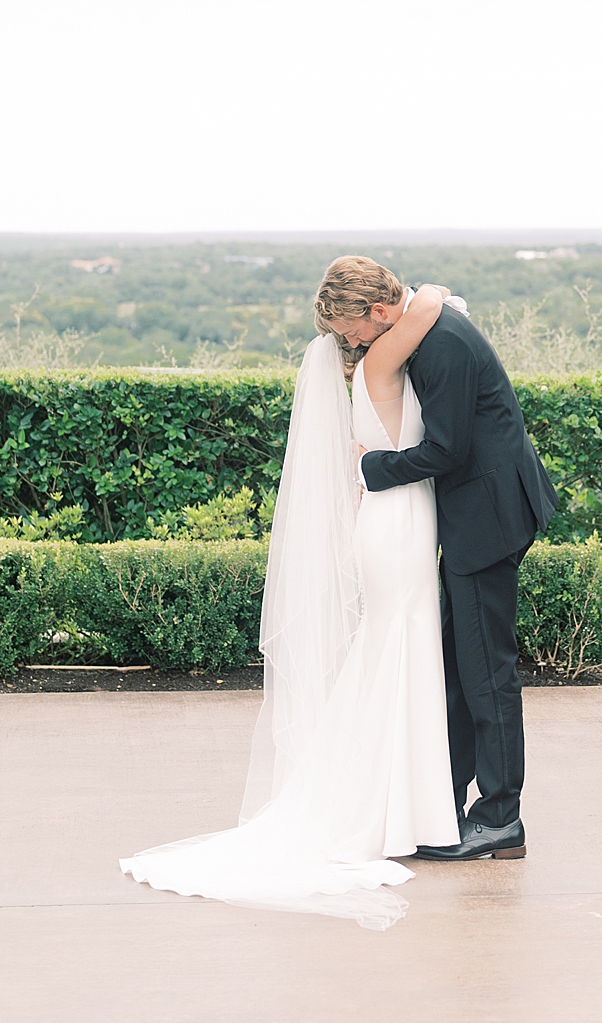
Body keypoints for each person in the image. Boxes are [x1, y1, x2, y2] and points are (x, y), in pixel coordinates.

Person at [120, 277, 461, 930]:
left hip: (393, 518)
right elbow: (426, 307)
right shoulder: (385, 358)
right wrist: (434, 289)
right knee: (398, 646)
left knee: (394, 650)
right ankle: (393, 809)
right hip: (397, 525)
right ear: (365, 324)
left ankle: (400, 806)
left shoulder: (367, 369)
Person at [318, 257, 558, 862]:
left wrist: (372, 468)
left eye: (352, 331)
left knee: (488, 674)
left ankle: (502, 819)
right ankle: (444, 799)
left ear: (377, 310)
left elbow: (447, 450)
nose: (351, 343)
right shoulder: (425, 328)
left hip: (488, 518)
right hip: (478, 511)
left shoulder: (441, 344)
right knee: (458, 665)